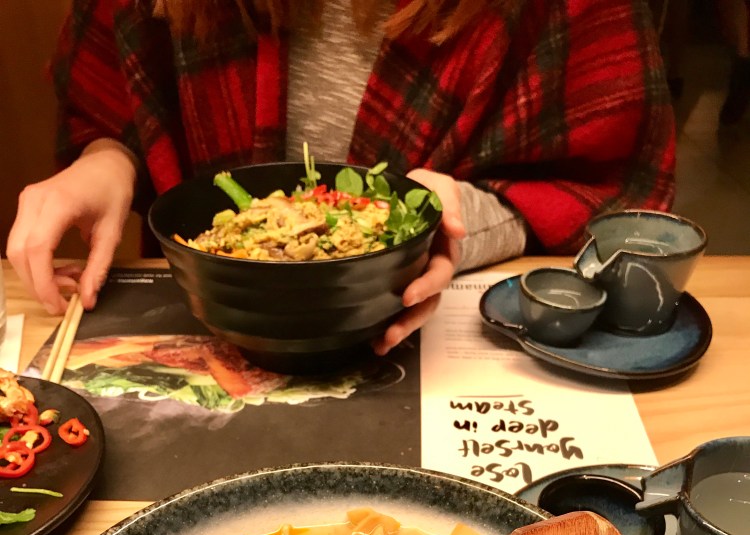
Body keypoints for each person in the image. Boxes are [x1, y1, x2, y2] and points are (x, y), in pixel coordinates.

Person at [7, 0, 675, 355]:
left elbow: (601, 189)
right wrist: (106, 160)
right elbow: (116, 103)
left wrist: (456, 216)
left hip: (423, 343)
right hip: (212, 327)